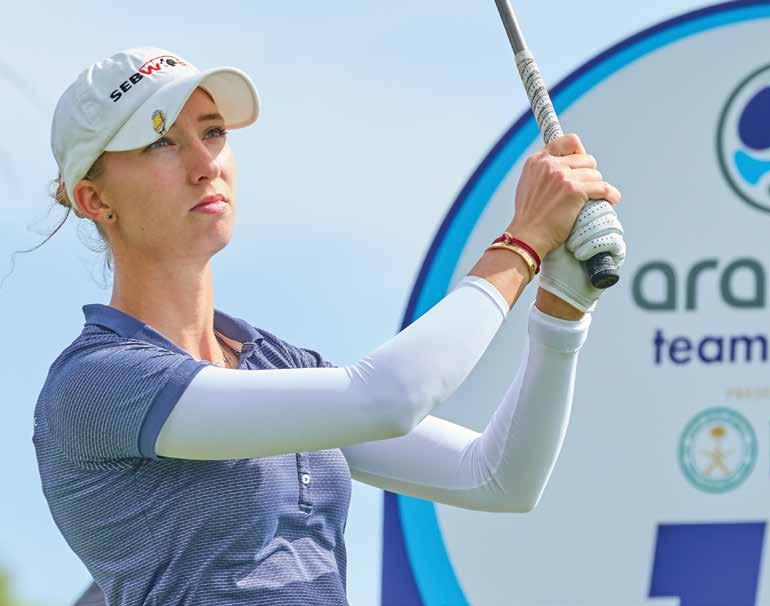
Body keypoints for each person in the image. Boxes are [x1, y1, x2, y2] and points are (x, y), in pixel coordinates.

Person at [33, 47, 625, 606]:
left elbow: (497, 478)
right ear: (94, 199)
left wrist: (563, 307)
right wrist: (523, 242)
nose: (204, 164)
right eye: (161, 141)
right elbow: (389, 398)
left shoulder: (275, 364)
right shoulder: (97, 383)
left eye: (212, 132)